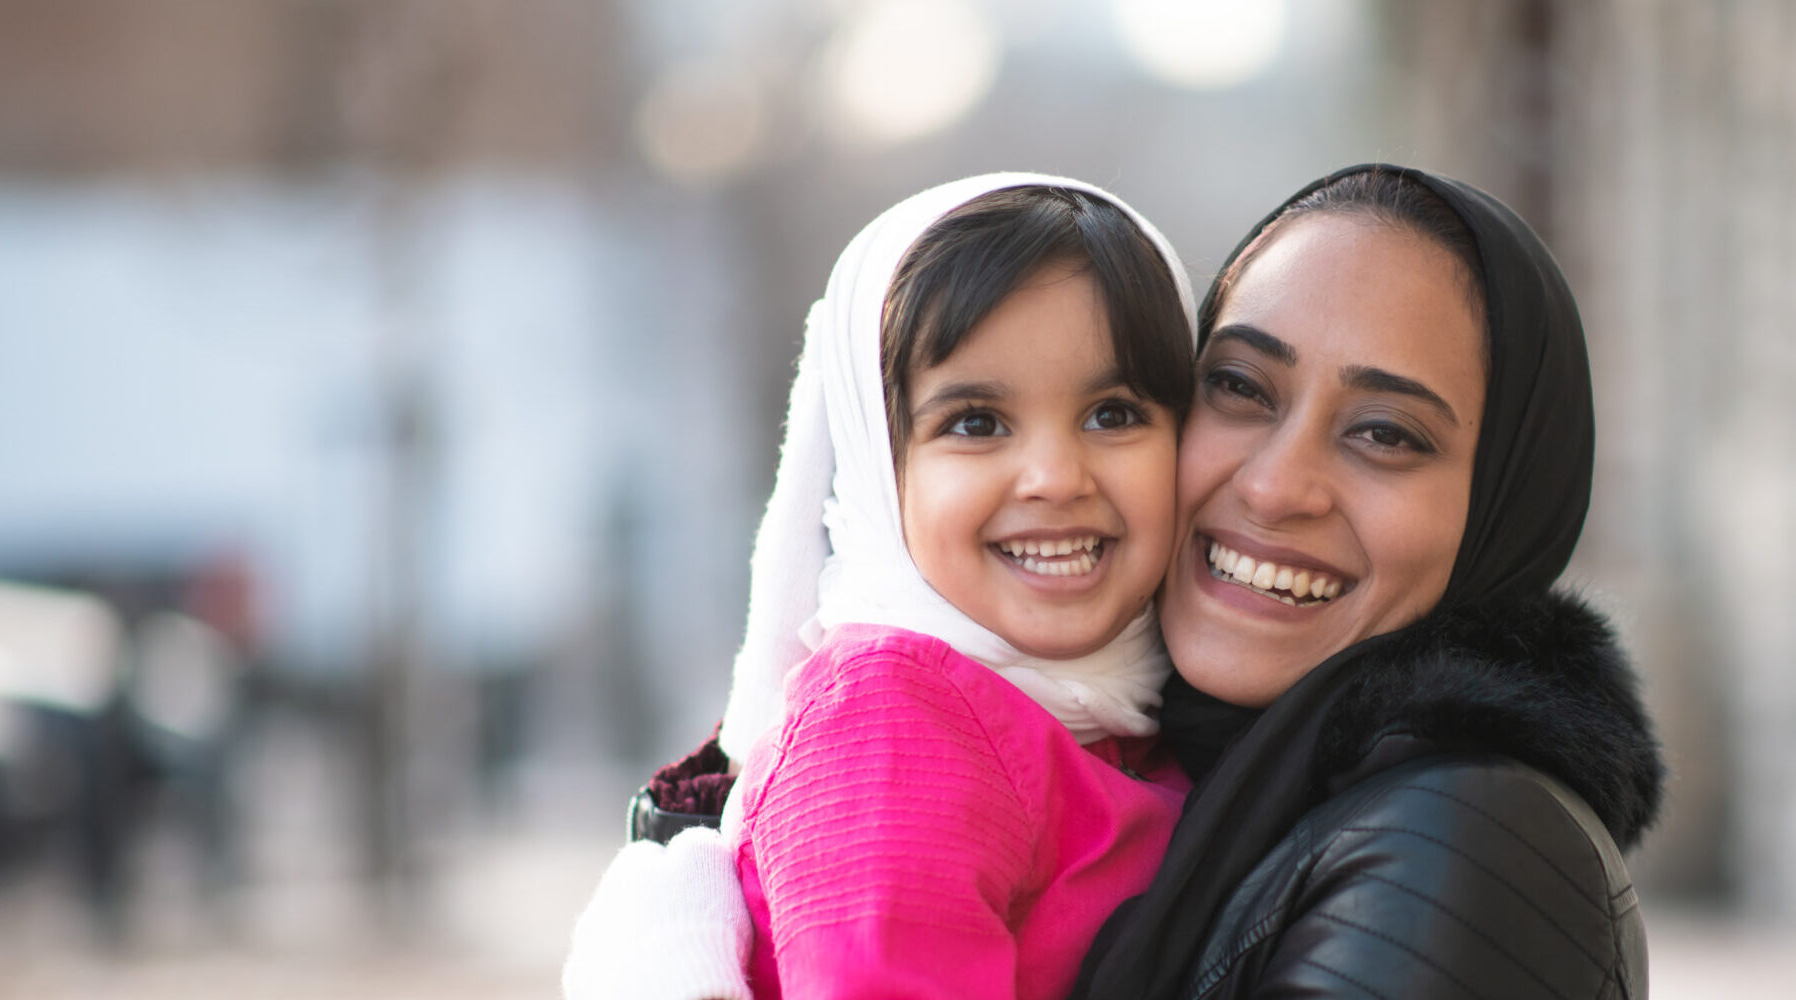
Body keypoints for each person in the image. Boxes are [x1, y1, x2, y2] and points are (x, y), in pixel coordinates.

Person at [571, 164, 1665, 1000]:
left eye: (1384, 433)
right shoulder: (938, 720)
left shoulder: (1457, 845)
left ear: (1508, 493)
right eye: (1236, 386)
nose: (1277, 485)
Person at [564, 173, 1203, 1000]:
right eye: (976, 423)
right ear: (875, 468)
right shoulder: (893, 719)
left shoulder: (1123, 705)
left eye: (1113, 414)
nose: (1054, 476)